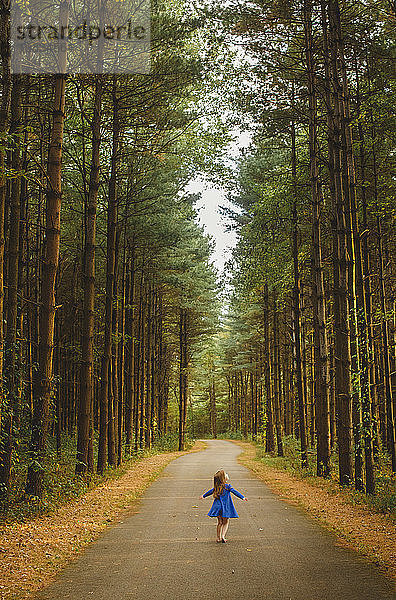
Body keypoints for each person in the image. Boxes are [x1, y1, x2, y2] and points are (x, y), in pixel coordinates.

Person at [199, 469, 248, 543]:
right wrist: (242, 497)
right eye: (225, 474)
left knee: (220, 522)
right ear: (223, 478)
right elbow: (235, 492)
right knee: (226, 522)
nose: (227, 475)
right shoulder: (227, 486)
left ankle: (218, 538)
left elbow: (210, 492)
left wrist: (203, 496)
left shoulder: (217, 487)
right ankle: (223, 536)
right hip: (225, 507)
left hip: (217, 507)